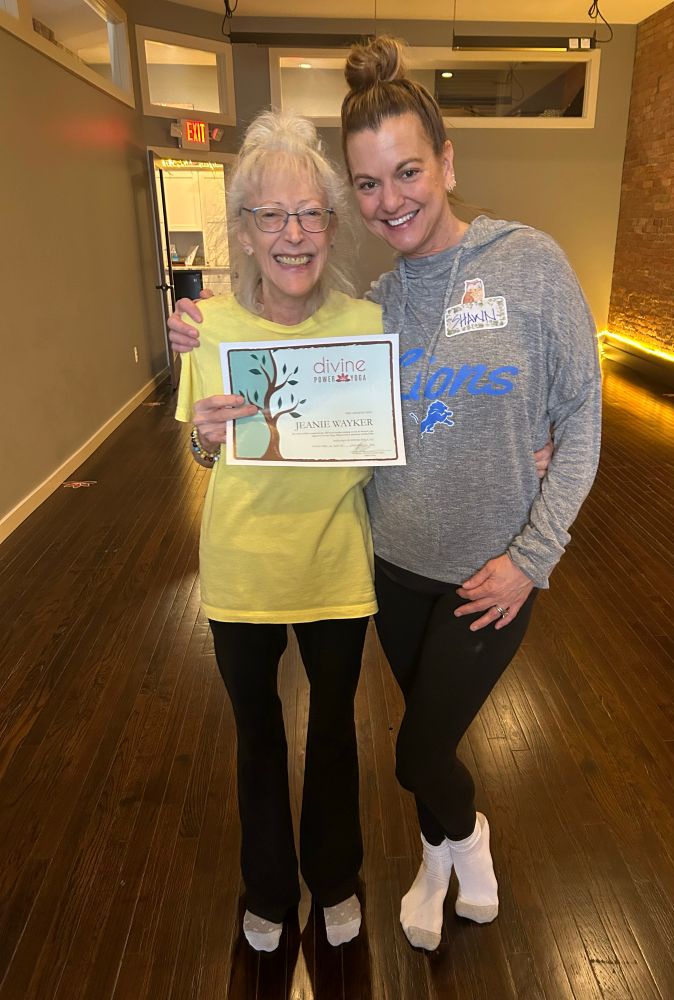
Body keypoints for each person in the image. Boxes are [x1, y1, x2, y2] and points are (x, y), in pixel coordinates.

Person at [169, 37, 600, 953]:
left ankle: (425, 853)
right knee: (318, 741)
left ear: (446, 163)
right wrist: (202, 409)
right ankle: (372, 871)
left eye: (406, 172)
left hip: (430, 574)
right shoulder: (316, 315)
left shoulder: (460, 287)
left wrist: (533, 528)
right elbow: (260, 439)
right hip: (359, 570)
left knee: (401, 746)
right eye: (368, 184)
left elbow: (568, 412)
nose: (389, 199)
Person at [175, 110, 384, 953]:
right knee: (257, 736)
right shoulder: (207, 328)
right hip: (241, 571)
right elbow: (201, 451)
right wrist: (203, 437)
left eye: (310, 214)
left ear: (333, 226)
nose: (292, 236)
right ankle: (266, 886)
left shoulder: (366, 325)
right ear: (244, 230)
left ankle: (334, 877)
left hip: (336, 566)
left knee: (333, 733)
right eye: (271, 215)